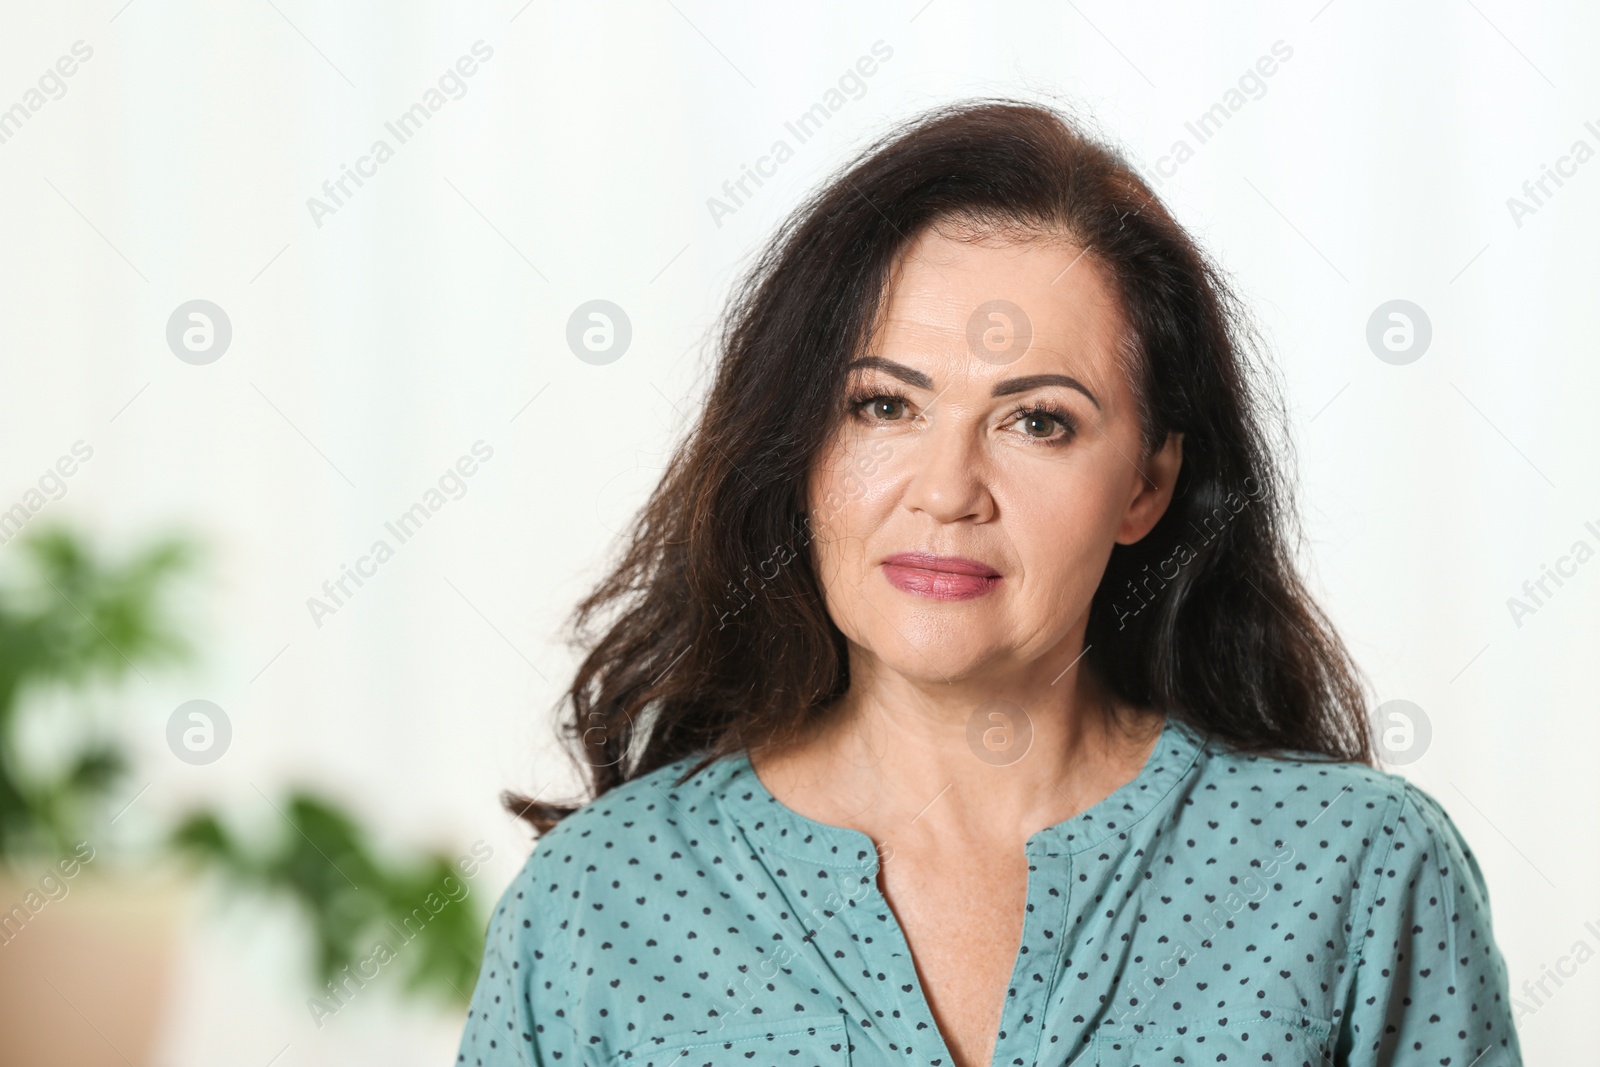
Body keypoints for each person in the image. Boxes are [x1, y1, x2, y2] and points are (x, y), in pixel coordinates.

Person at [456, 99, 1521, 1067]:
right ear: (800, 445)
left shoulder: (1357, 869)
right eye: (883, 405)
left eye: (1037, 420)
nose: (947, 489)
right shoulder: (600, 901)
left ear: (1145, 483)